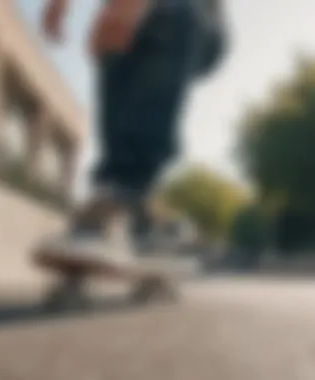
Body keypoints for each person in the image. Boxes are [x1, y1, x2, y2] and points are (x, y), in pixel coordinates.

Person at [39, 0, 227, 260]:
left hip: (196, 19)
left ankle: (128, 183)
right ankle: (139, 207)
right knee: (114, 37)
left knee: (161, 14)